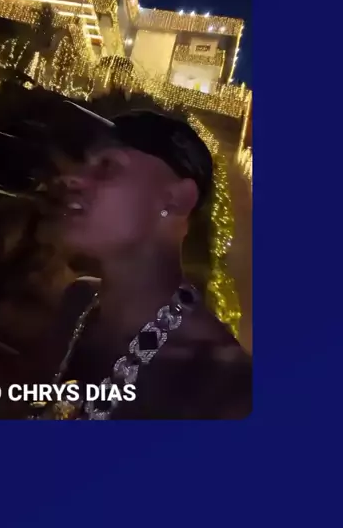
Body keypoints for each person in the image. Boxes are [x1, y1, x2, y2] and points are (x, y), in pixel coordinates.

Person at [32, 104, 252, 420]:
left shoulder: (224, 387)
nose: (70, 179)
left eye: (107, 165)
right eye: (81, 164)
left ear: (176, 199)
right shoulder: (79, 303)